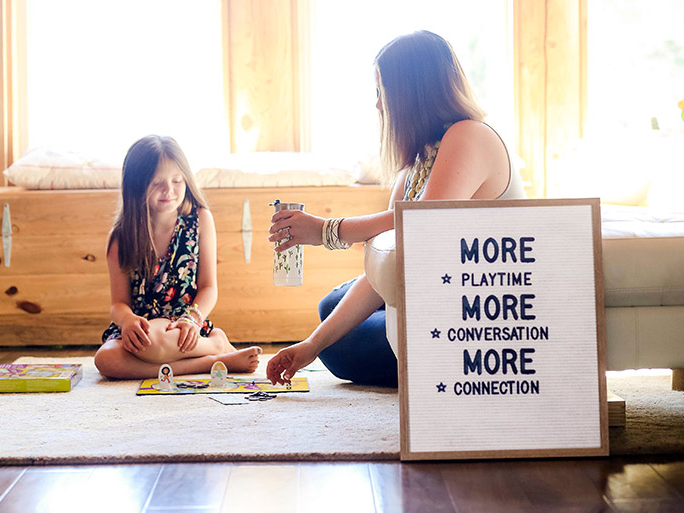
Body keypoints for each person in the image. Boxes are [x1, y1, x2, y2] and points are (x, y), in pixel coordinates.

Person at [266, 30, 526, 387]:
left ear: (410, 92)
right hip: (428, 293)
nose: (377, 105)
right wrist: (310, 346)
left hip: (473, 309)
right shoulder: (418, 162)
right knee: (331, 307)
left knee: (340, 328)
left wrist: (325, 231)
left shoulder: (469, 135)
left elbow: (416, 223)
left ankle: (435, 366)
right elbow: (387, 266)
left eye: (381, 92)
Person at [94, 135, 261, 379]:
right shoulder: (120, 237)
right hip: (140, 330)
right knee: (105, 358)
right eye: (157, 183)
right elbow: (118, 303)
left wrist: (193, 318)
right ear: (137, 185)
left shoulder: (200, 220)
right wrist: (128, 320)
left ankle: (210, 345)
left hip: (183, 325)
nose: (169, 191)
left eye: (177, 180)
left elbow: (209, 287)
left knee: (158, 338)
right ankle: (212, 358)